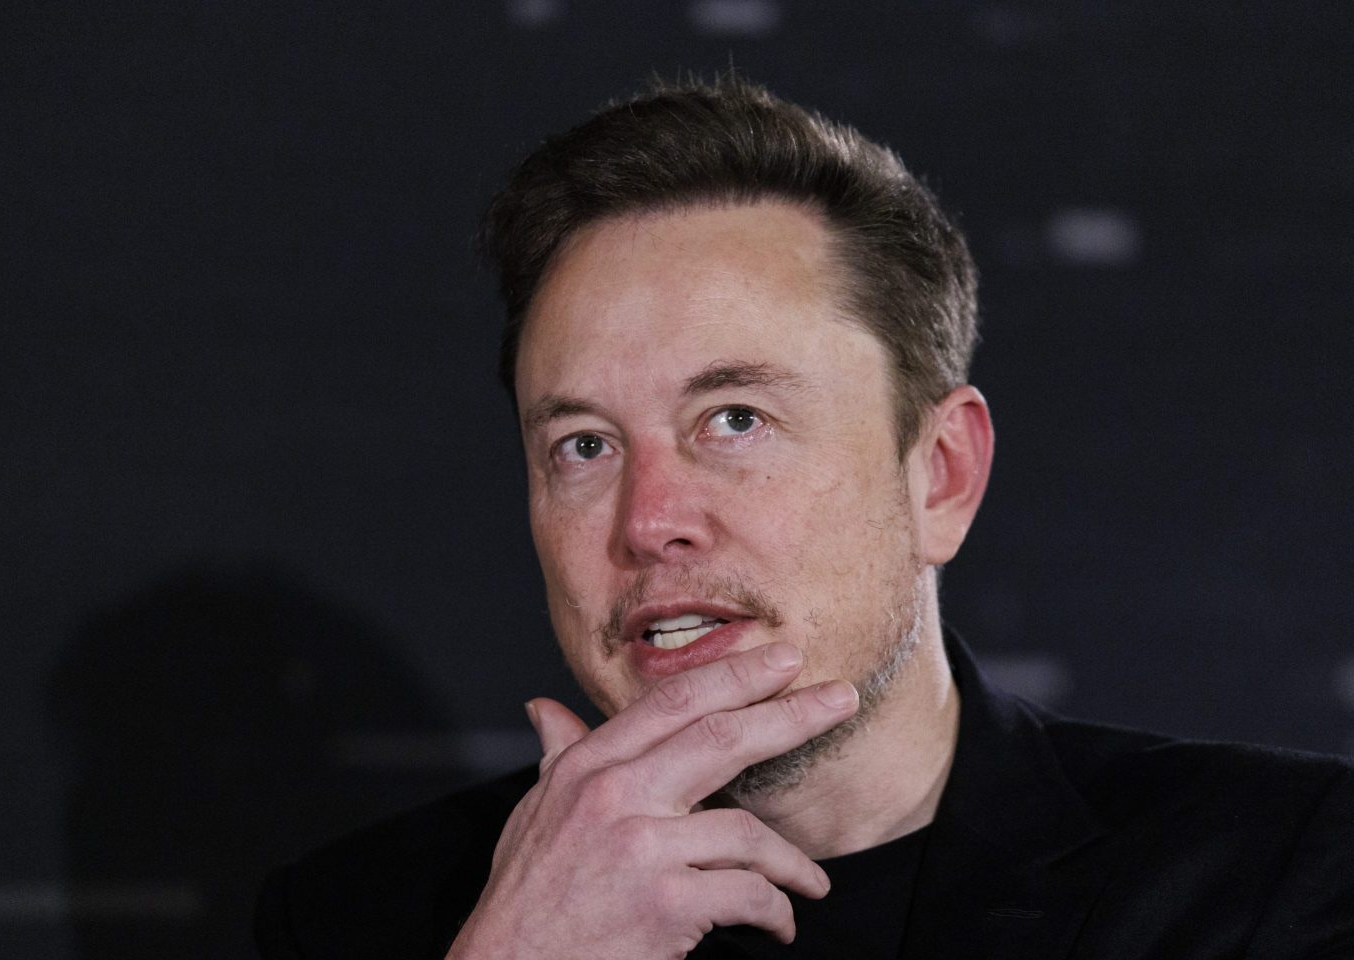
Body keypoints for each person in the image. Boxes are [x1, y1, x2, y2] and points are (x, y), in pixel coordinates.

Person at [254, 76, 1354, 959]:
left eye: (735, 420)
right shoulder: (366, 920)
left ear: (941, 476)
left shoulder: (1275, 872)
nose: (650, 523)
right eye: (584, 445)